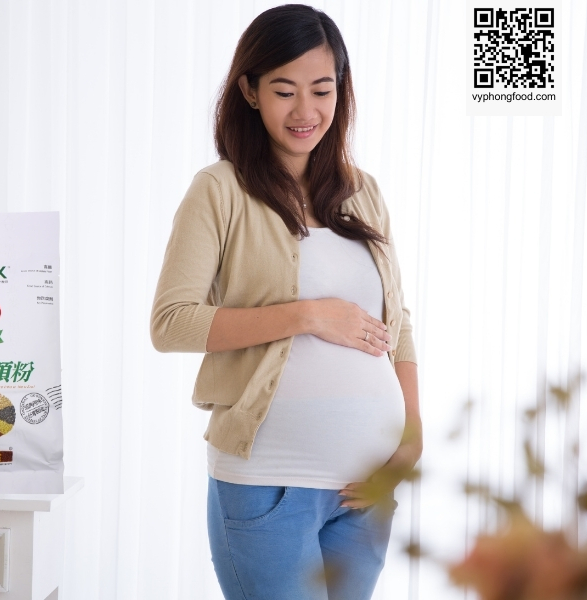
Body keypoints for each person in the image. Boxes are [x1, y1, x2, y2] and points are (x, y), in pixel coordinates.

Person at [150, 4, 421, 599]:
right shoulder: (220, 189)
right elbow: (171, 324)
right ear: (249, 90)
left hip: (365, 491)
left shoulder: (363, 191)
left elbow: (396, 322)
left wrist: (412, 438)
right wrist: (308, 315)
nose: (305, 111)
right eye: (284, 90)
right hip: (270, 484)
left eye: (322, 90)